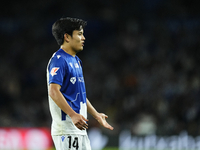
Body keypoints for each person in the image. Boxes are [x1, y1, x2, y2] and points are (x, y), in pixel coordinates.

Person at [47, 17, 113, 150]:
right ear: (67, 37)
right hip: (67, 129)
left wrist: (96, 114)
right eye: (80, 34)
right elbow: (53, 91)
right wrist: (72, 115)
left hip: (79, 128)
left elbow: (79, 95)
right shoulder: (59, 60)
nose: (84, 38)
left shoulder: (76, 61)